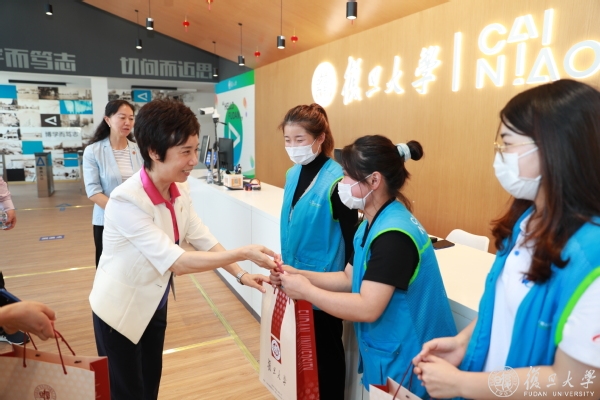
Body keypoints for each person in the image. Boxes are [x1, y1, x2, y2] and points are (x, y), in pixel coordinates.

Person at [412, 79, 600, 399]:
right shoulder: (525, 223)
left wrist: (461, 384)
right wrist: (462, 342)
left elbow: (581, 383)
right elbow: (502, 308)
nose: (500, 155)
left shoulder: (591, 256)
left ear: (555, 147)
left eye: (508, 143)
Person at [89, 99, 278, 400]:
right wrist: (242, 253)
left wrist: (241, 275)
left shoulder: (179, 188)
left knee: (150, 384)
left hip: (154, 303)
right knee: (127, 392)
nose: (194, 160)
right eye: (185, 152)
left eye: (195, 150)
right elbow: (176, 261)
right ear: (154, 151)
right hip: (119, 312)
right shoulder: (127, 200)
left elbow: (200, 235)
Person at [273, 135, 456, 399]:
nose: (341, 183)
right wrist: (297, 274)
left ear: (374, 180)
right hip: (390, 352)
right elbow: (347, 278)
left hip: (412, 360)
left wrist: (306, 291)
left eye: (348, 176)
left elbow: (368, 307)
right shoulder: (369, 223)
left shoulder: (394, 236)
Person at [278, 103, 359, 399]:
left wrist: (348, 282)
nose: (293, 147)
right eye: (288, 140)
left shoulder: (338, 181)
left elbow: (353, 240)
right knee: (301, 362)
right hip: (293, 283)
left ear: (320, 138)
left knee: (326, 364)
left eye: (299, 139)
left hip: (324, 289)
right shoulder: (292, 174)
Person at [83, 100, 143, 267]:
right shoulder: (93, 151)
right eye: (122, 117)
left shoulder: (139, 150)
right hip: (107, 221)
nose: (127, 122)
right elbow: (93, 191)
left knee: (134, 267)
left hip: (137, 221)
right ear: (108, 120)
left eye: (131, 118)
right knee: (108, 269)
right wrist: (121, 212)